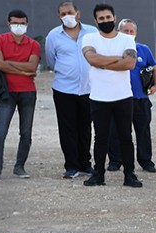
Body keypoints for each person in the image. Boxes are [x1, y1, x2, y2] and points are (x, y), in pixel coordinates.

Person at [81, 3, 141, 188]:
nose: (105, 21)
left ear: (114, 18)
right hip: (98, 97)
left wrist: (102, 63)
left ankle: (129, 174)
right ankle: (98, 174)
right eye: (101, 18)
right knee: (101, 137)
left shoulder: (126, 39)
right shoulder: (89, 38)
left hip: (123, 96)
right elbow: (91, 59)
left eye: (108, 18)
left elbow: (130, 64)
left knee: (125, 136)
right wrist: (117, 58)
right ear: (95, 21)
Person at [45, 1, 97, 179]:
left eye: (70, 12)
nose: (68, 16)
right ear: (59, 16)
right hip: (64, 89)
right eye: (63, 13)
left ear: (78, 13)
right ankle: (71, 165)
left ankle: (85, 163)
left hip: (88, 88)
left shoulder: (92, 32)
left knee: (85, 127)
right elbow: (51, 60)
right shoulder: (53, 36)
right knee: (67, 128)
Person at [0, 9, 40, 181]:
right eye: (15, 23)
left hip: (27, 93)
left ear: (27, 24)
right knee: (1, 131)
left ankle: (20, 167)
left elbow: (32, 67)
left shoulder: (33, 44)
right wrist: (23, 70)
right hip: (6, 92)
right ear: (8, 24)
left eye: (23, 23)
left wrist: (6, 64)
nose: (19, 26)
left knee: (26, 132)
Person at [105, 18, 156, 174]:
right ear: (119, 32)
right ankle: (115, 160)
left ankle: (146, 161)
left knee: (142, 131)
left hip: (140, 99)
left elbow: (154, 68)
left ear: (136, 33)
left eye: (131, 31)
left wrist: (155, 85)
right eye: (125, 31)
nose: (128, 33)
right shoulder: (112, 49)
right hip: (118, 98)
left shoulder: (143, 49)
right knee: (116, 130)